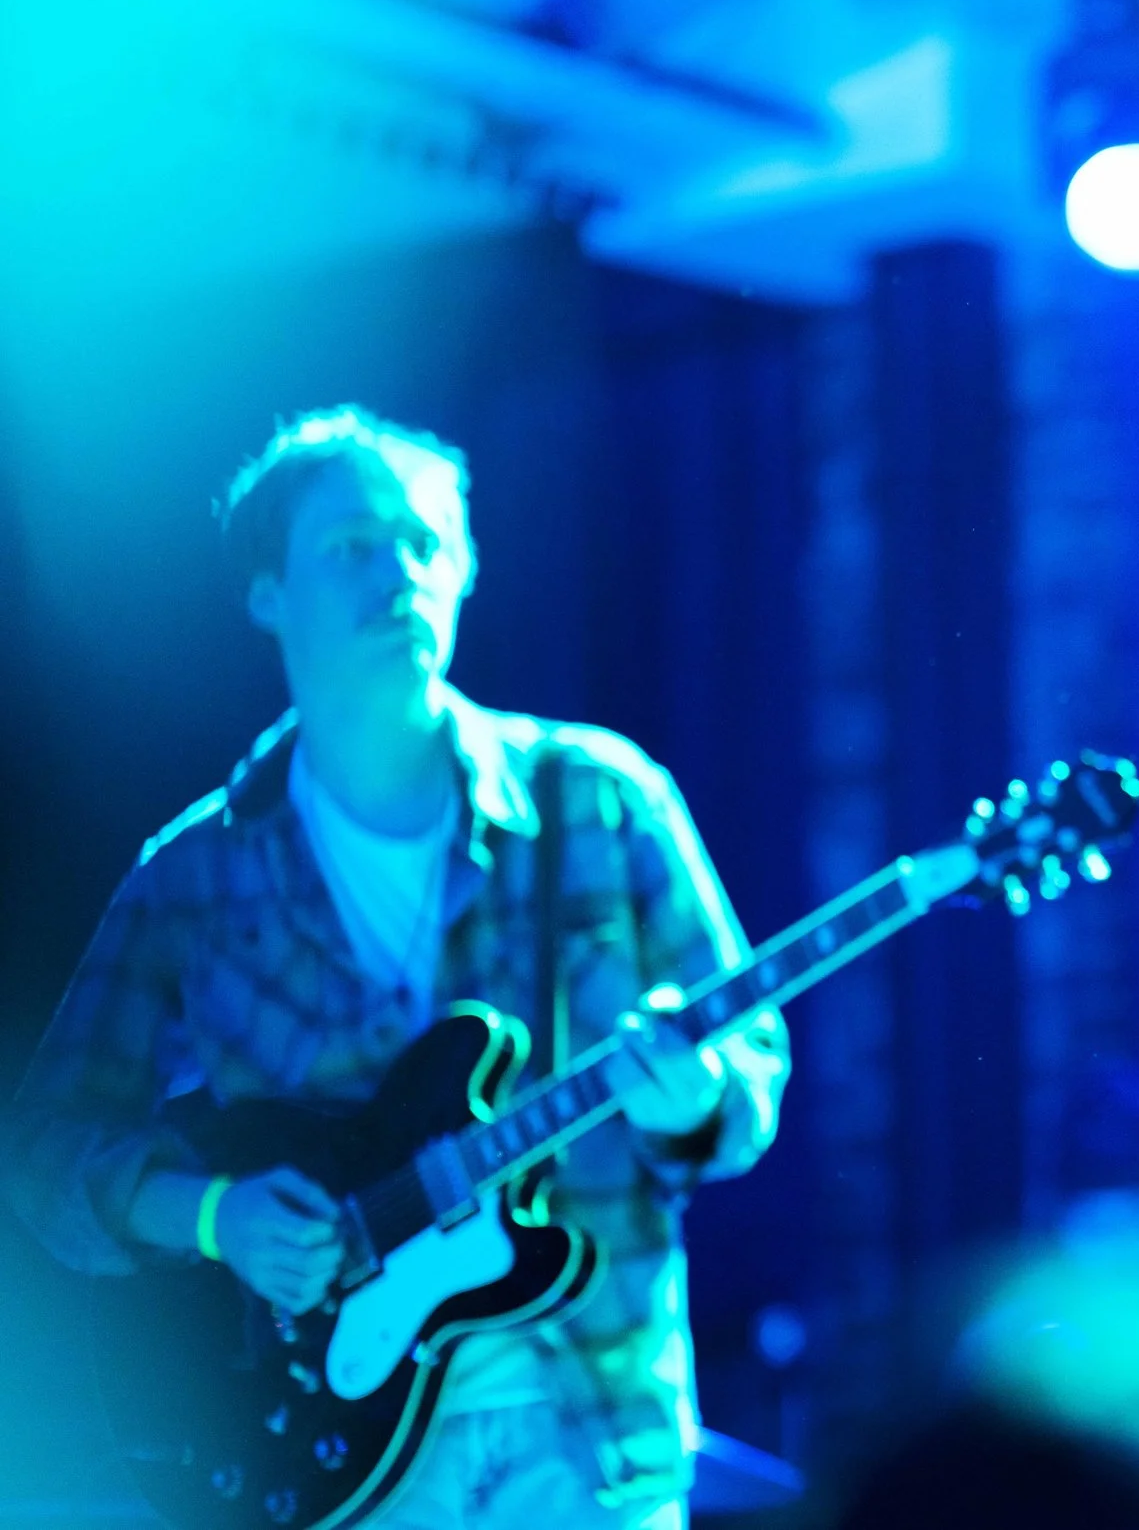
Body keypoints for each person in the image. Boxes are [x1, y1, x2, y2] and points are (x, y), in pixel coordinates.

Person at [4, 407, 789, 1529]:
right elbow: (40, 1148)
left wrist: (697, 1091)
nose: (400, 575)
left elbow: (747, 1080)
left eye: (428, 545)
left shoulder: (603, 799)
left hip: (588, 1434)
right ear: (265, 592)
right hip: (319, 1456)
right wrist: (216, 1215)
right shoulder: (194, 871)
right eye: (352, 548)